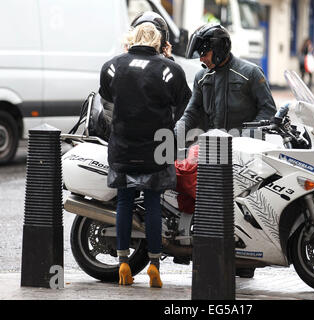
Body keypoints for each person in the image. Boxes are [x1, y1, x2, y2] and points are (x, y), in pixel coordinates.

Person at [175, 23, 276, 278]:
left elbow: (268, 110)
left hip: (245, 151)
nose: (201, 58)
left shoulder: (251, 73)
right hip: (212, 149)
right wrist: (177, 131)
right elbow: (192, 111)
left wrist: (248, 135)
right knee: (204, 198)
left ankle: (245, 262)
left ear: (219, 49)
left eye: (204, 53)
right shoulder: (202, 77)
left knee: (244, 204)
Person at [98, 14, 190, 287]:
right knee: (152, 204)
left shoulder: (112, 66)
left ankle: (124, 262)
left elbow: (107, 109)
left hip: (123, 148)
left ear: (132, 38)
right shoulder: (170, 70)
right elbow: (182, 109)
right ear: (160, 42)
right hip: (155, 150)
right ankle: (154, 265)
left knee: (125, 202)